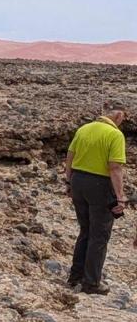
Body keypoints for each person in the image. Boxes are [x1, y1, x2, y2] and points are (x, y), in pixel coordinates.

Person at [64, 106, 129, 295]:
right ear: (118, 115)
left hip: (78, 181)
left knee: (85, 230)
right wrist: (120, 197)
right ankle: (91, 282)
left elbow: (70, 157)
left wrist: (68, 182)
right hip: (99, 185)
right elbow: (115, 167)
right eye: (122, 119)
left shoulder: (84, 129)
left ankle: (75, 276)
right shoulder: (115, 135)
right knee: (99, 235)